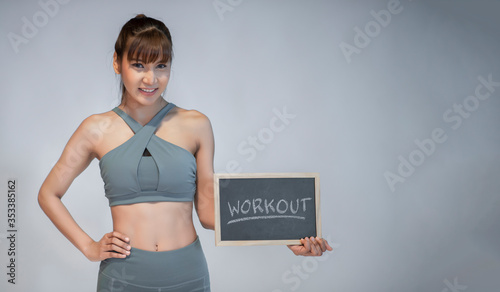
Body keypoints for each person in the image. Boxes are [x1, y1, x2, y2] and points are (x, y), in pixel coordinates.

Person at [38, 14, 332, 292]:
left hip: (187, 274)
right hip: (123, 276)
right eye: (139, 65)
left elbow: (208, 212)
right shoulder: (95, 129)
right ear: (117, 63)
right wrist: (89, 247)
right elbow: (48, 194)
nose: (150, 79)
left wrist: (287, 235)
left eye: (161, 66)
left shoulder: (196, 124)